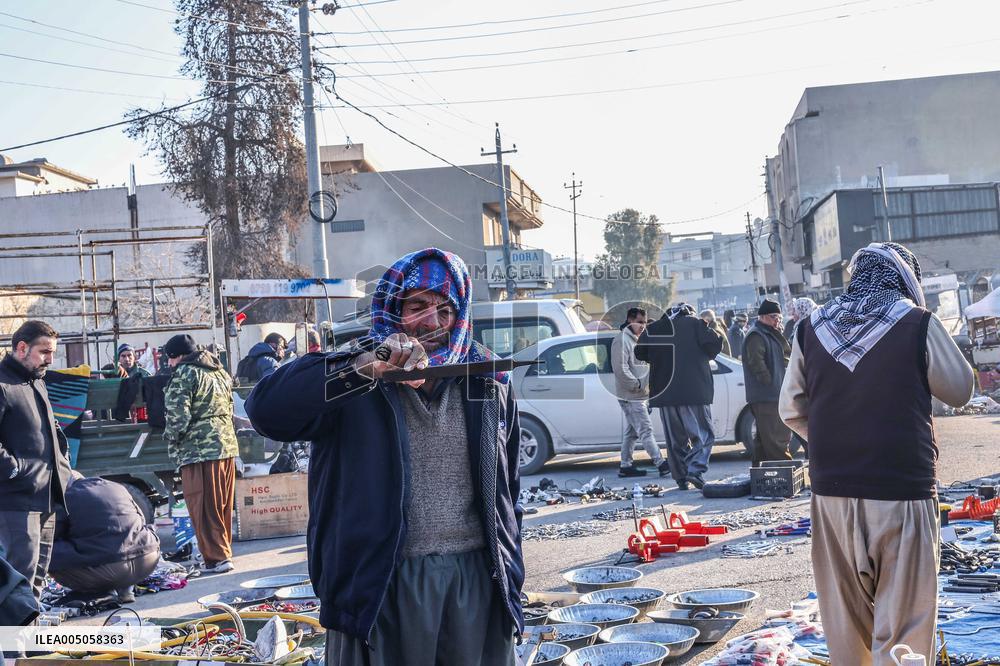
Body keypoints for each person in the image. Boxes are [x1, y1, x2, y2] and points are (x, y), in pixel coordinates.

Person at [245, 248, 523, 666]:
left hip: (476, 582)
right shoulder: (353, 373)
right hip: (380, 586)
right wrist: (363, 368)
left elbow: (509, 488)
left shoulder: (487, 379)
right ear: (394, 309)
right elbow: (266, 411)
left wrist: (510, 571)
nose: (432, 322)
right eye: (417, 306)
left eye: (445, 309)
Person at [779, 242, 974, 664]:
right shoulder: (917, 322)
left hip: (831, 494)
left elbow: (790, 408)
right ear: (905, 280)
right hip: (901, 491)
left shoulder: (811, 327)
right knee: (904, 625)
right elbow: (960, 389)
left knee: (846, 629)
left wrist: (840, 437)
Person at [0, 320, 72, 602]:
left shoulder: (37, 382)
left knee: (37, 582)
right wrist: (14, 469)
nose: (50, 359)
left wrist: (62, 464)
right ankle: (12, 647)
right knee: (19, 581)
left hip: (46, 498)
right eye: (44, 351)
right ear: (21, 348)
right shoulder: (3, 384)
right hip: (17, 502)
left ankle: (30, 644)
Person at [162, 334, 239, 575]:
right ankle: (223, 552)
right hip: (226, 445)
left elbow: (178, 418)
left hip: (198, 450)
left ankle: (216, 559)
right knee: (222, 505)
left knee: (203, 506)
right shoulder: (219, 371)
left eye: (170, 359)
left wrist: (171, 440)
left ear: (178, 356)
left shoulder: (185, 374)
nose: (169, 364)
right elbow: (230, 406)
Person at [636, 303, 723, 490]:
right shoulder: (695, 324)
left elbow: (639, 352)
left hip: (665, 394)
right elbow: (715, 344)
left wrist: (659, 358)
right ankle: (695, 470)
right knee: (703, 435)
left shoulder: (654, 328)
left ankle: (681, 477)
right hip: (694, 392)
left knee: (675, 440)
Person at [49, 474, 160, 604]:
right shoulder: (116, 487)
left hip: (109, 572)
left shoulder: (67, 496)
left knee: (45, 551)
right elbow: (142, 520)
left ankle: (100, 591)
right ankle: (124, 588)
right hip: (149, 560)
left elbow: (51, 535)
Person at [611, 307, 668, 478]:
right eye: (640, 322)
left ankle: (625, 465)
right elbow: (620, 368)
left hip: (639, 394)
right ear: (630, 320)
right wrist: (636, 385)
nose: (643, 325)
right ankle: (661, 464)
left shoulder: (636, 339)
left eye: (644, 322)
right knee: (645, 430)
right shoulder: (622, 340)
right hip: (631, 395)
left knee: (633, 432)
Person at [743, 300, 793, 466]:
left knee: (764, 440)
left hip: (773, 393)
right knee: (775, 438)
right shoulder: (756, 334)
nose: (777, 320)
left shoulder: (770, 332)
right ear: (762, 317)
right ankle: (785, 471)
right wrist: (769, 382)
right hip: (766, 395)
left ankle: (760, 477)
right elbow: (756, 362)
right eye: (774, 317)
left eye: (779, 317)